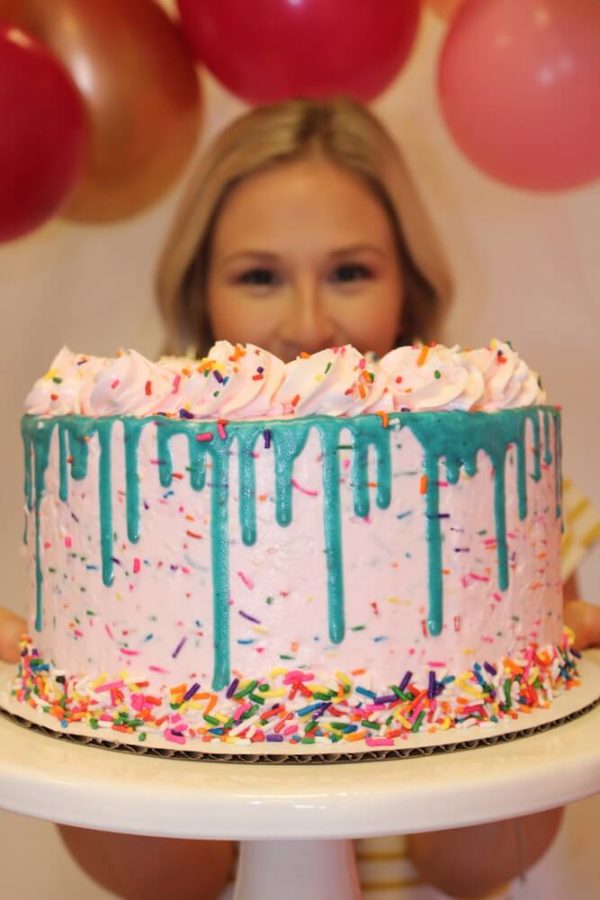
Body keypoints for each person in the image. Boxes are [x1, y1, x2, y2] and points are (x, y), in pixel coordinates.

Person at [3, 97, 599, 900]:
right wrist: (98, 714)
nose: (310, 324)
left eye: (350, 271)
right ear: (198, 289)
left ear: (409, 280)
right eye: (260, 276)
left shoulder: (496, 491)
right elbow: (168, 881)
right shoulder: (138, 489)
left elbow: (474, 870)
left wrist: (513, 662)